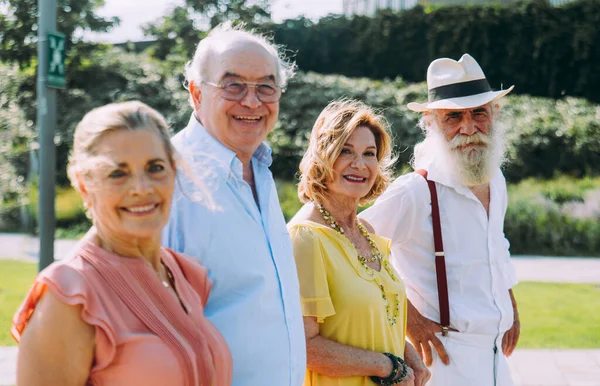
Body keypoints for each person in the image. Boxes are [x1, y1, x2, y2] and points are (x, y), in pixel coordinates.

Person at [11, 101, 232, 386]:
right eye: (118, 173)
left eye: (155, 167)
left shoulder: (186, 276)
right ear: (83, 184)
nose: (141, 188)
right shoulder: (70, 295)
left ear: (173, 172)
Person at [361, 54, 520, 386]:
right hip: (442, 361)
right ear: (431, 123)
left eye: (479, 113)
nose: (468, 127)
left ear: (495, 113)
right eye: (453, 117)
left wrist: (510, 305)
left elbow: (497, 247)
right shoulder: (415, 192)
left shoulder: (496, 180)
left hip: (495, 358)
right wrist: (409, 318)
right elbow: (349, 247)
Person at [163, 23, 305, 385]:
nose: (252, 102)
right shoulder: (165, 179)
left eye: (266, 87)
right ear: (196, 93)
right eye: (234, 85)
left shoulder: (259, 168)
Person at [288, 100, 431, 386]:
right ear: (323, 157)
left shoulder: (366, 232)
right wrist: (386, 366)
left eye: (369, 154)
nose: (359, 164)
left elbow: (376, 319)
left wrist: (408, 355)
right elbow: (302, 346)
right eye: (345, 151)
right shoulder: (305, 238)